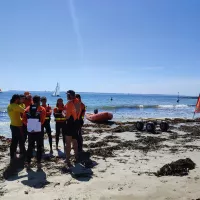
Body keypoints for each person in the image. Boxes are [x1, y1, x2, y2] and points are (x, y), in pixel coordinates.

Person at [22, 95, 46, 170]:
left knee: (30, 146)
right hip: (39, 130)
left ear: (32, 100)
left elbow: (23, 119)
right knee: (39, 147)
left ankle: (28, 163)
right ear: (39, 100)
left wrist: (29, 125)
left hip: (30, 130)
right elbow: (42, 120)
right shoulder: (42, 109)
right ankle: (38, 164)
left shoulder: (28, 108)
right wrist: (37, 125)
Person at [63, 90, 81, 166]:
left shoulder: (69, 103)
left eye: (67, 95)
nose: (66, 96)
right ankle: (76, 157)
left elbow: (66, 116)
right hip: (76, 123)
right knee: (75, 141)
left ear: (70, 95)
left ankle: (67, 159)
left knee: (68, 142)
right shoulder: (78, 102)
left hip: (70, 124)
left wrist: (63, 114)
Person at [7, 94, 25, 162]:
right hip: (18, 126)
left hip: (12, 125)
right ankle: (21, 154)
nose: (20, 100)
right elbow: (25, 111)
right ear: (16, 99)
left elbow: (16, 115)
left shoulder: (10, 105)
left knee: (14, 141)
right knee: (20, 140)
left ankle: (12, 155)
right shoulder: (15, 106)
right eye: (19, 99)